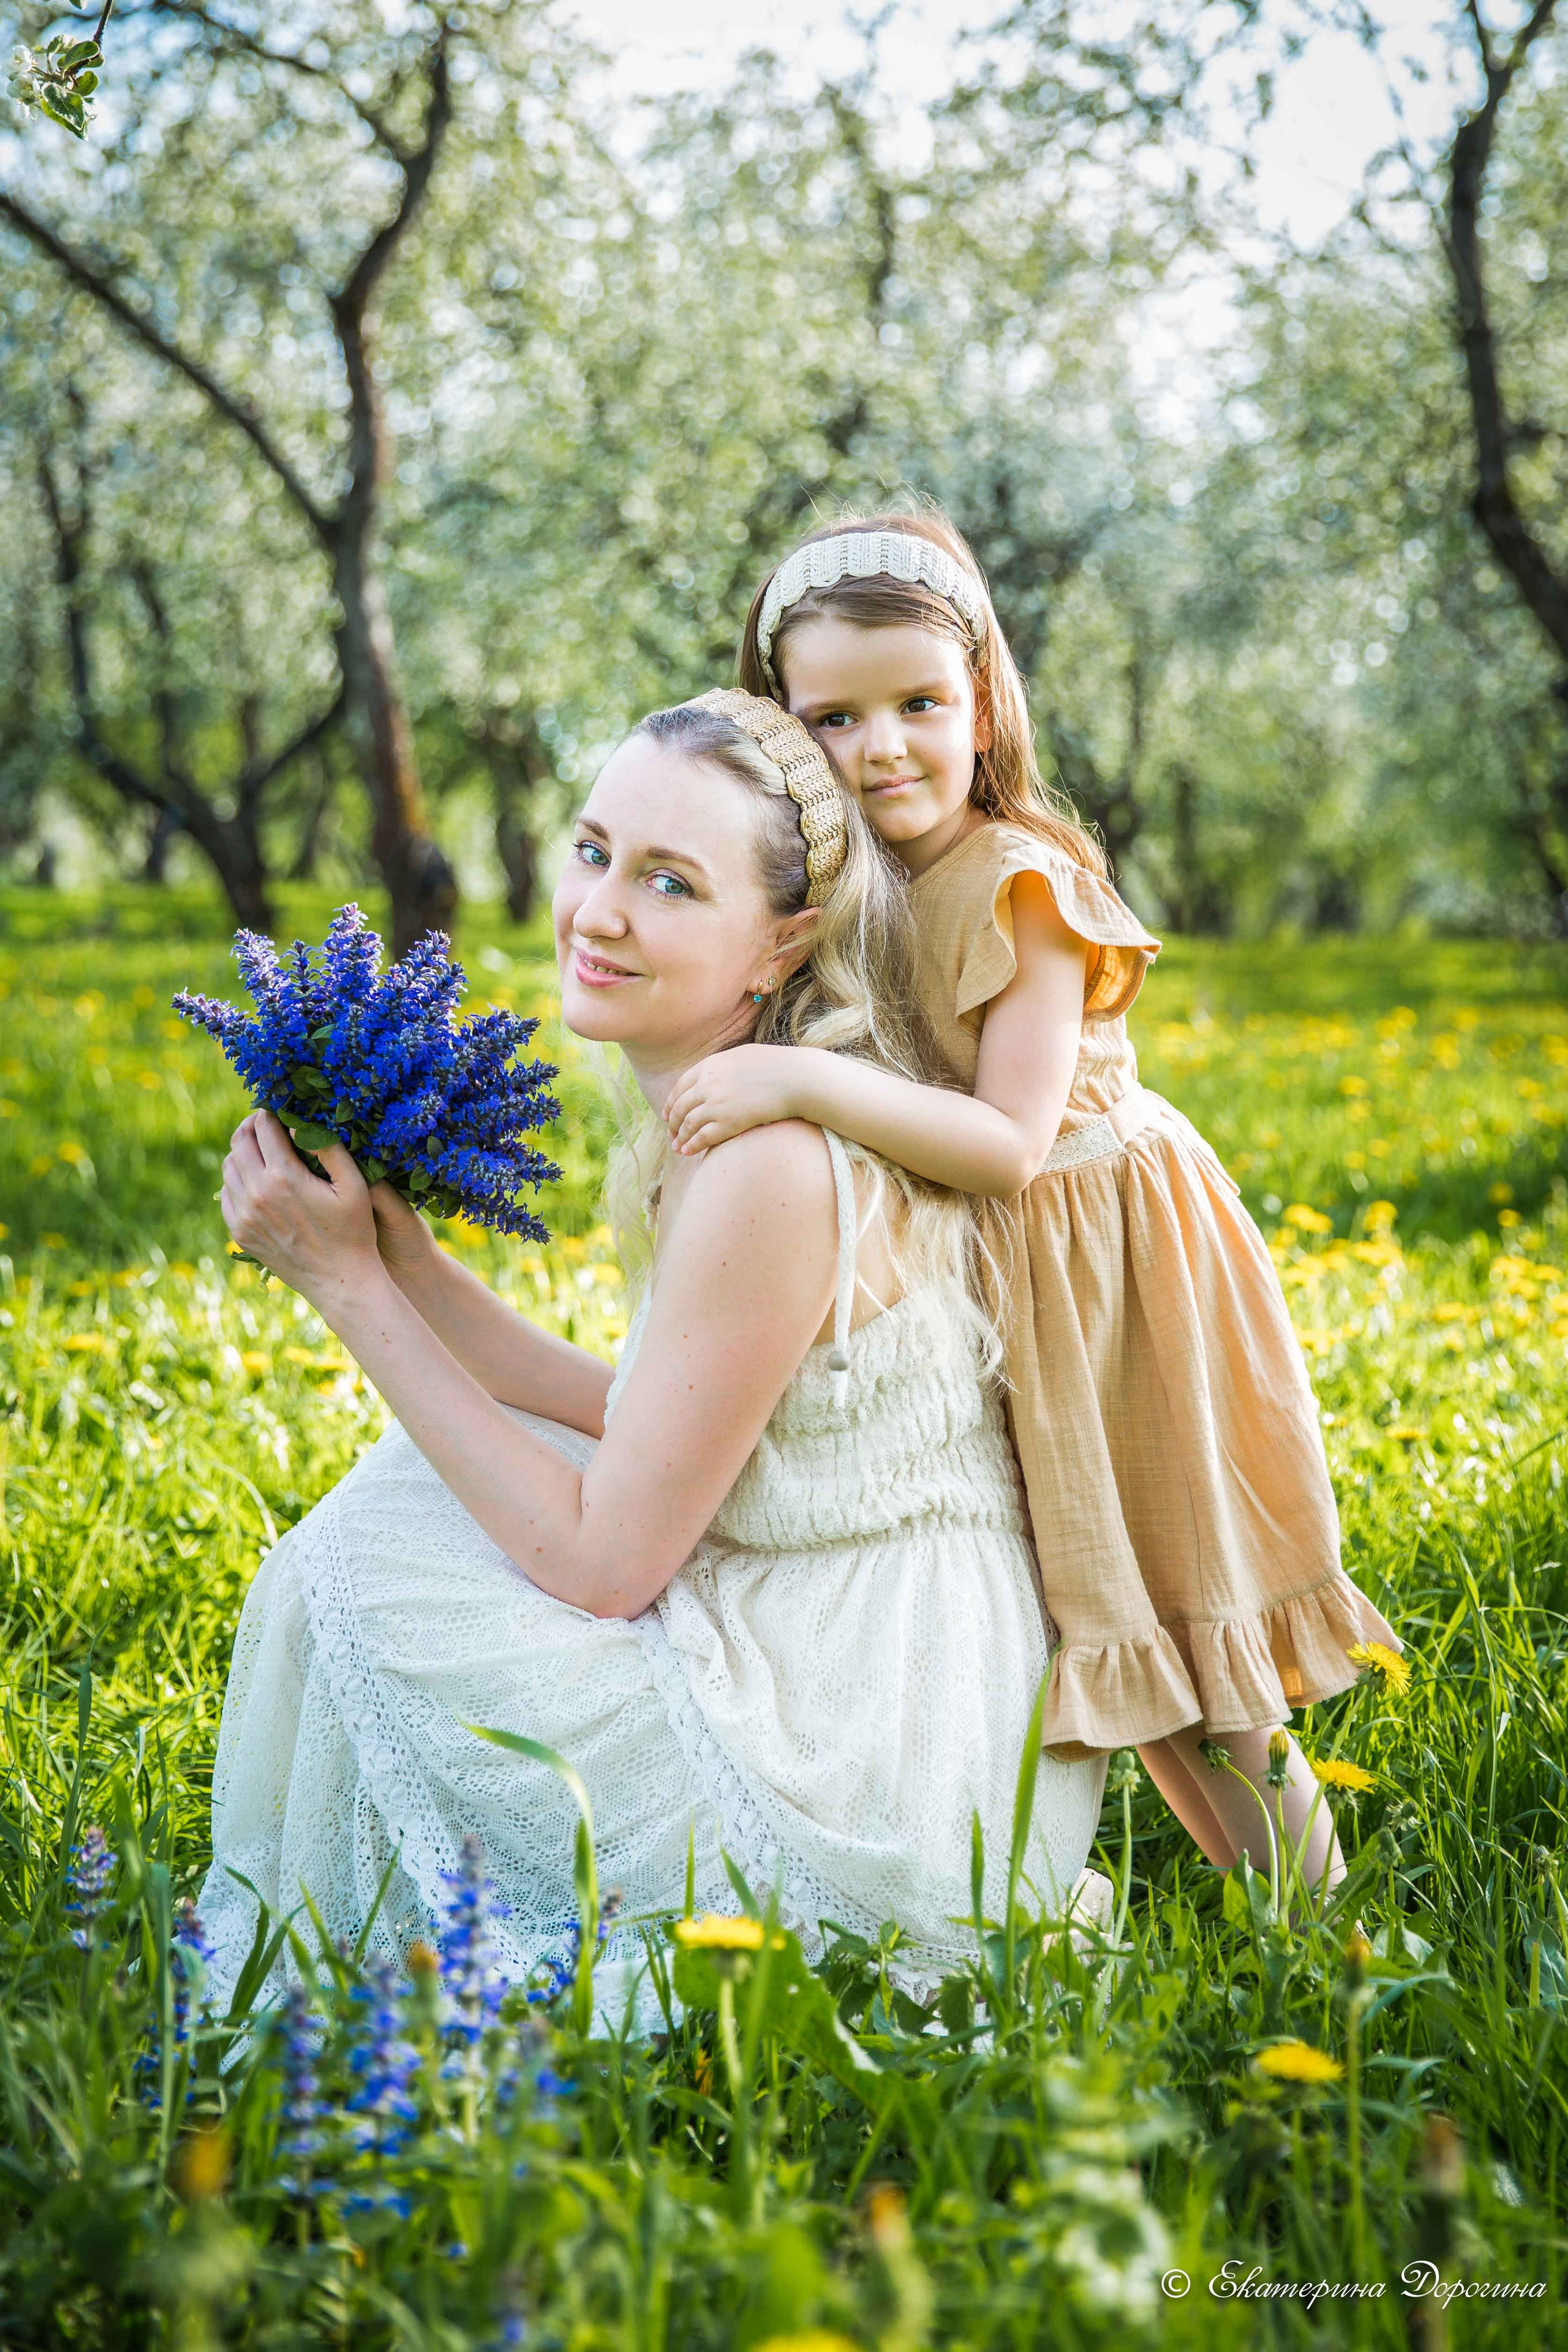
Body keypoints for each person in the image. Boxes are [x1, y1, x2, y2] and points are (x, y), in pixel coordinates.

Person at [199, 687, 1109, 2016]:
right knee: (430, 1488)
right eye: (591, 851)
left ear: (779, 942)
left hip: (872, 1774)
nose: (599, 912)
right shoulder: (740, 1113)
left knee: (376, 1554)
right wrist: (401, 1258)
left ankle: (377, 1975)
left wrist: (347, 1292)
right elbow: (649, 1416)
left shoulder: (771, 1167)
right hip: (869, 1673)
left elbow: (605, 1561)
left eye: (670, 883)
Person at [662, 515, 1406, 1896]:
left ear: (981, 704)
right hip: (1009, 1290)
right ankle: (1287, 1927)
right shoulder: (853, 889)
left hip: (1110, 1273)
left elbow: (1005, 1144)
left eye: (918, 705)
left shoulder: (1024, 885)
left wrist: (793, 1084)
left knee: (1187, 1628)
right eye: (832, 717)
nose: (880, 746)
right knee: (1096, 1610)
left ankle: (1329, 1942)